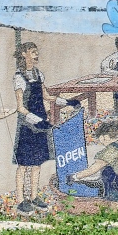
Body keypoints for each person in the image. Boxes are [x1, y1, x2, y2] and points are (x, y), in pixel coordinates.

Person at [13, 42, 75, 215]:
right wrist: (35, 120)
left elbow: (46, 96)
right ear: (24, 54)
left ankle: (33, 196)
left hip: (41, 123)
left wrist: (67, 102)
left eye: (37, 52)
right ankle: (20, 199)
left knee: (37, 163)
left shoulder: (39, 75)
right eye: (33, 52)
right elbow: (20, 107)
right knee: (23, 164)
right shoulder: (19, 77)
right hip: (28, 125)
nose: (36, 55)